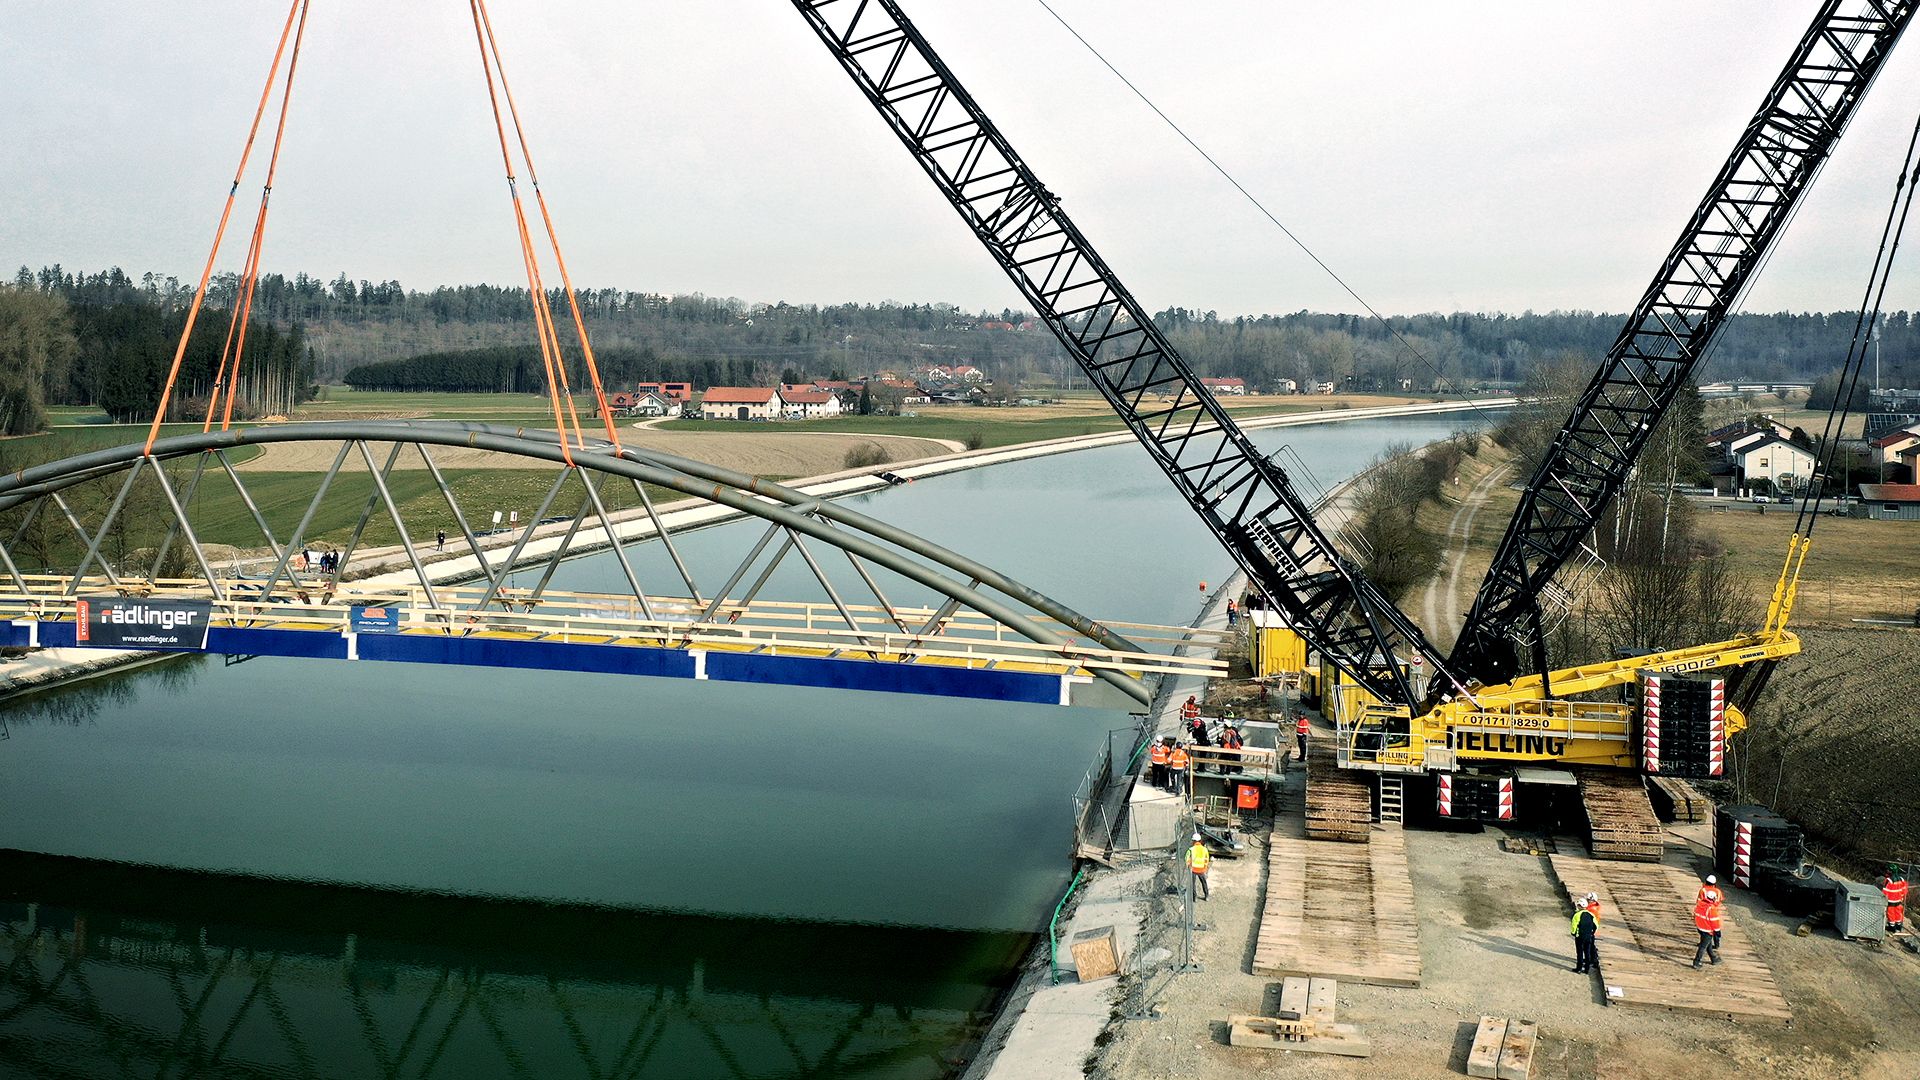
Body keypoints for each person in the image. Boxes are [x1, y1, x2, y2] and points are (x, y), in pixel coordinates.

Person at [1692, 889, 1723, 968]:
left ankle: (1713, 958)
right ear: (1712, 898)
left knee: (1707, 944)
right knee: (1703, 946)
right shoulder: (1711, 909)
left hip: (1700, 928)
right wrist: (1717, 931)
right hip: (1708, 930)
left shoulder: (1699, 905)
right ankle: (1697, 961)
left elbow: (1695, 915)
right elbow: (1714, 921)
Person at [1570, 897, 1599, 974]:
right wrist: (1592, 932)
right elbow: (1596, 925)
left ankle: (1579, 968)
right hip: (1589, 936)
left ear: (1579, 906)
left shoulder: (1577, 915)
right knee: (1587, 952)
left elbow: (1574, 926)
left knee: (1580, 952)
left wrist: (1573, 933)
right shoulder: (1591, 914)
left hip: (1580, 936)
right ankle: (1587, 969)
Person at [1880, 866, 1908, 933]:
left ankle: (1892, 927)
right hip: (1899, 899)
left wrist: (1883, 899)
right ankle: (1898, 926)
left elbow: (1885, 891)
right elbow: (1904, 889)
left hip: (1890, 900)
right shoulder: (1901, 879)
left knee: (1890, 913)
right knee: (1898, 912)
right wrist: (1901, 897)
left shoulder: (1889, 880)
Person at [1185, 831, 1211, 900]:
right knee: (1204, 883)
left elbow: (1187, 858)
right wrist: (1205, 868)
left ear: (1193, 841)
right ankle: (1206, 896)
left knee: (1193, 884)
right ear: (1200, 841)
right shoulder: (1205, 849)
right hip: (1201, 869)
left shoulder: (1191, 849)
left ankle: (1195, 897)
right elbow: (1207, 859)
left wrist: (1189, 866)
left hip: (1193, 869)